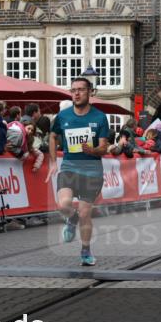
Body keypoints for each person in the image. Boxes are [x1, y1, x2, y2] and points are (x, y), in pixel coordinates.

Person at [46, 77, 110, 267]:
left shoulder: (99, 117)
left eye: (81, 89)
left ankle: (85, 251)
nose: (77, 93)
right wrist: (52, 162)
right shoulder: (63, 116)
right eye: (73, 90)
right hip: (69, 168)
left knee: (85, 213)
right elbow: (52, 136)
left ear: (90, 92)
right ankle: (70, 218)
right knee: (63, 205)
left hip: (92, 171)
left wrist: (93, 151)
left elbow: (104, 148)